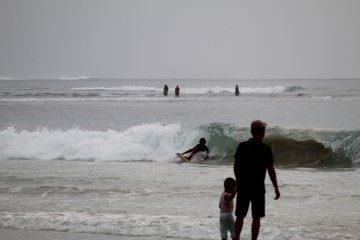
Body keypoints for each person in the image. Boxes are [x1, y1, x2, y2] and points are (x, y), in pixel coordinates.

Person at [233, 120, 280, 240]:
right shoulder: (265, 149)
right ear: (262, 132)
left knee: (240, 216)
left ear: (251, 131)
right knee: (256, 217)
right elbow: (271, 170)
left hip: (243, 186)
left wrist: (238, 181)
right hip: (258, 188)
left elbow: (236, 166)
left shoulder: (242, 146)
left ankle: (236, 237)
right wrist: (276, 188)